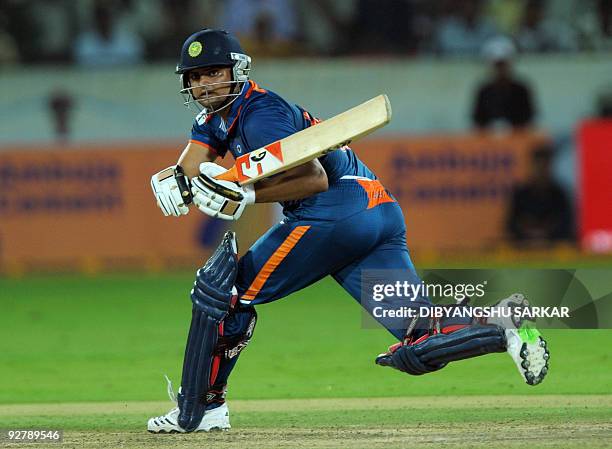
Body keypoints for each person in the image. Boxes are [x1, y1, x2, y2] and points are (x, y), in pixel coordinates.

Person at [147, 29, 550, 434]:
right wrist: (175, 182)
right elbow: (192, 167)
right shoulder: (216, 117)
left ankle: (202, 409)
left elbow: (314, 178)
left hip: (333, 210)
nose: (203, 84)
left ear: (237, 70)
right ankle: (503, 326)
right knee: (420, 339)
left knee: (227, 295)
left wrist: (245, 196)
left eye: (213, 73)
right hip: (377, 211)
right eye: (195, 77)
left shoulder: (260, 114)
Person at [506, 145, 574, 246]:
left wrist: (547, 232)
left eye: (544, 166)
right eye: (538, 166)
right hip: (524, 248)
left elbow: (566, 224)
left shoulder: (559, 194)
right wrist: (528, 231)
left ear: (550, 166)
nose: (541, 171)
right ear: (531, 166)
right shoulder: (521, 194)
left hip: (553, 248)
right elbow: (511, 224)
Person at [472, 36, 535, 130]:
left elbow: (529, 118)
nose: (501, 69)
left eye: (503, 65)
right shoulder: (484, 91)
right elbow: (477, 120)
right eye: (497, 65)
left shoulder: (521, 89)